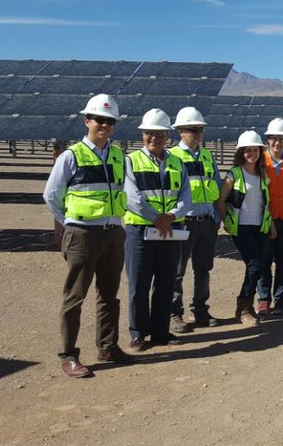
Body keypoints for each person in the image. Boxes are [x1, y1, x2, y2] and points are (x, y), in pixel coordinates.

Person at [42, 94, 134, 378]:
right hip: (82, 233)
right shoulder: (71, 156)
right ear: (87, 121)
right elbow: (52, 196)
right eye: (99, 120)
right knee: (75, 296)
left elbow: (125, 193)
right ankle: (69, 355)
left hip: (113, 233)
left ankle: (108, 346)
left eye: (110, 121)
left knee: (109, 295)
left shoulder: (119, 155)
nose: (105, 125)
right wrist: (71, 223)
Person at [122, 109, 191, 350]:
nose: (155, 138)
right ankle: (138, 333)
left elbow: (186, 196)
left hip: (170, 230)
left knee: (165, 281)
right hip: (140, 231)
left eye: (160, 134)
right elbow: (131, 197)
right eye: (150, 134)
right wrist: (156, 218)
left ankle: (160, 331)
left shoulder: (177, 162)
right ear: (142, 135)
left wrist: (171, 216)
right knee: (139, 284)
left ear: (167, 136)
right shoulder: (130, 161)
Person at [168, 107, 223, 334]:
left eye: (200, 129)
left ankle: (200, 309)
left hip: (206, 221)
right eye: (193, 129)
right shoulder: (172, 156)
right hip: (183, 221)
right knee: (177, 269)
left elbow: (217, 187)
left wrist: (217, 216)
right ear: (180, 131)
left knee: (203, 268)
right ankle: (174, 313)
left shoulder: (208, 156)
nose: (198, 133)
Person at [216, 130, 276, 326]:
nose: (252, 154)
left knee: (258, 267)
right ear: (241, 152)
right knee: (255, 265)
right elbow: (221, 200)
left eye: (255, 150)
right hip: (242, 227)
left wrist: (272, 225)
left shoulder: (262, 175)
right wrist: (227, 221)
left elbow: (265, 204)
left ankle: (246, 307)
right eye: (247, 150)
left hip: (261, 227)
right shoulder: (234, 174)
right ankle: (243, 308)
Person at [257, 118, 283, 315]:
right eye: (273, 138)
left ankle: (280, 300)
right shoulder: (258, 161)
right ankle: (263, 299)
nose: (277, 143)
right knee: (264, 261)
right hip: (265, 221)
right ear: (267, 140)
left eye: (281, 139)